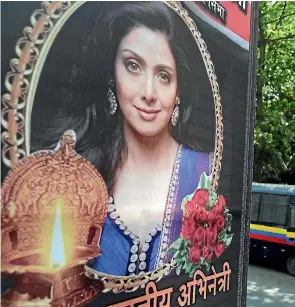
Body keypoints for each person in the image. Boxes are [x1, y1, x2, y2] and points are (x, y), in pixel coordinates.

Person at [31, 2, 214, 277]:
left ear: (178, 91)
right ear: (111, 75)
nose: (148, 92)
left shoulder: (205, 172)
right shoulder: (76, 170)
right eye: (133, 66)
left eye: (163, 76)